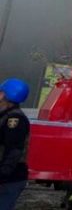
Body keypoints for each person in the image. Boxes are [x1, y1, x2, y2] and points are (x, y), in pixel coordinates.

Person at [0, 78, 30, 210]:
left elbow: (14, 150)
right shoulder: (5, 115)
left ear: (3, 95)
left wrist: (2, 175)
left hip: (9, 179)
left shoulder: (15, 119)